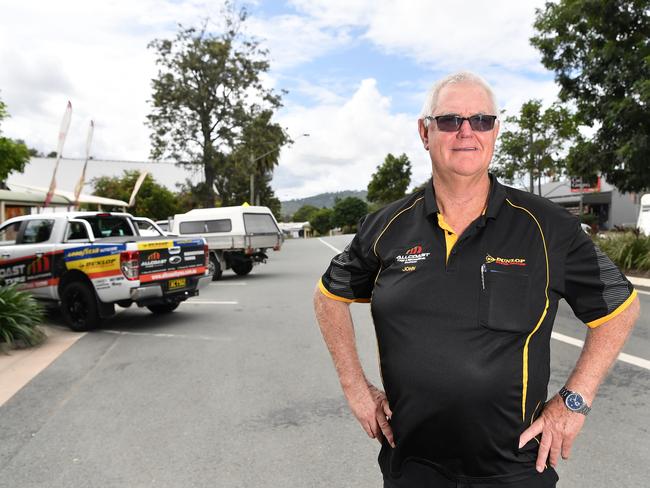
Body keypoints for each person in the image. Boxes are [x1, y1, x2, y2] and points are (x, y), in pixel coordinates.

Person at [313, 71, 639, 487]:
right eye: (450, 120)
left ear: (495, 131)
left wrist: (575, 400)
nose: (467, 131)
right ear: (424, 132)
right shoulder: (385, 226)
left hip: (513, 470)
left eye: (481, 120)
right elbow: (328, 298)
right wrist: (356, 388)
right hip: (411, 466)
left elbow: (619, 309)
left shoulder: (547, 227)